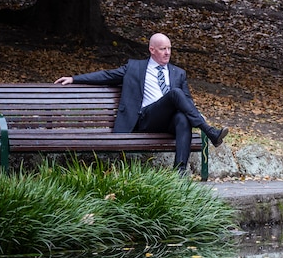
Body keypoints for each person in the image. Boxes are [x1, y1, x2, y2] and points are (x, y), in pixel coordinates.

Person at [55, 33, 227, 174]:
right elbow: (107, 75)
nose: (167, 52)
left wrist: (193, 115)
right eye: (162, 49)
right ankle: (209, 131)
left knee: (182, 117)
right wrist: (74, 78)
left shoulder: (178, 73)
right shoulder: (134, 68)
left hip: (168, 123)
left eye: (169, 48)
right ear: (152, 50)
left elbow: (187, 100)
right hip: (146, 119)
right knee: (174, 93)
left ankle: (180, 172)